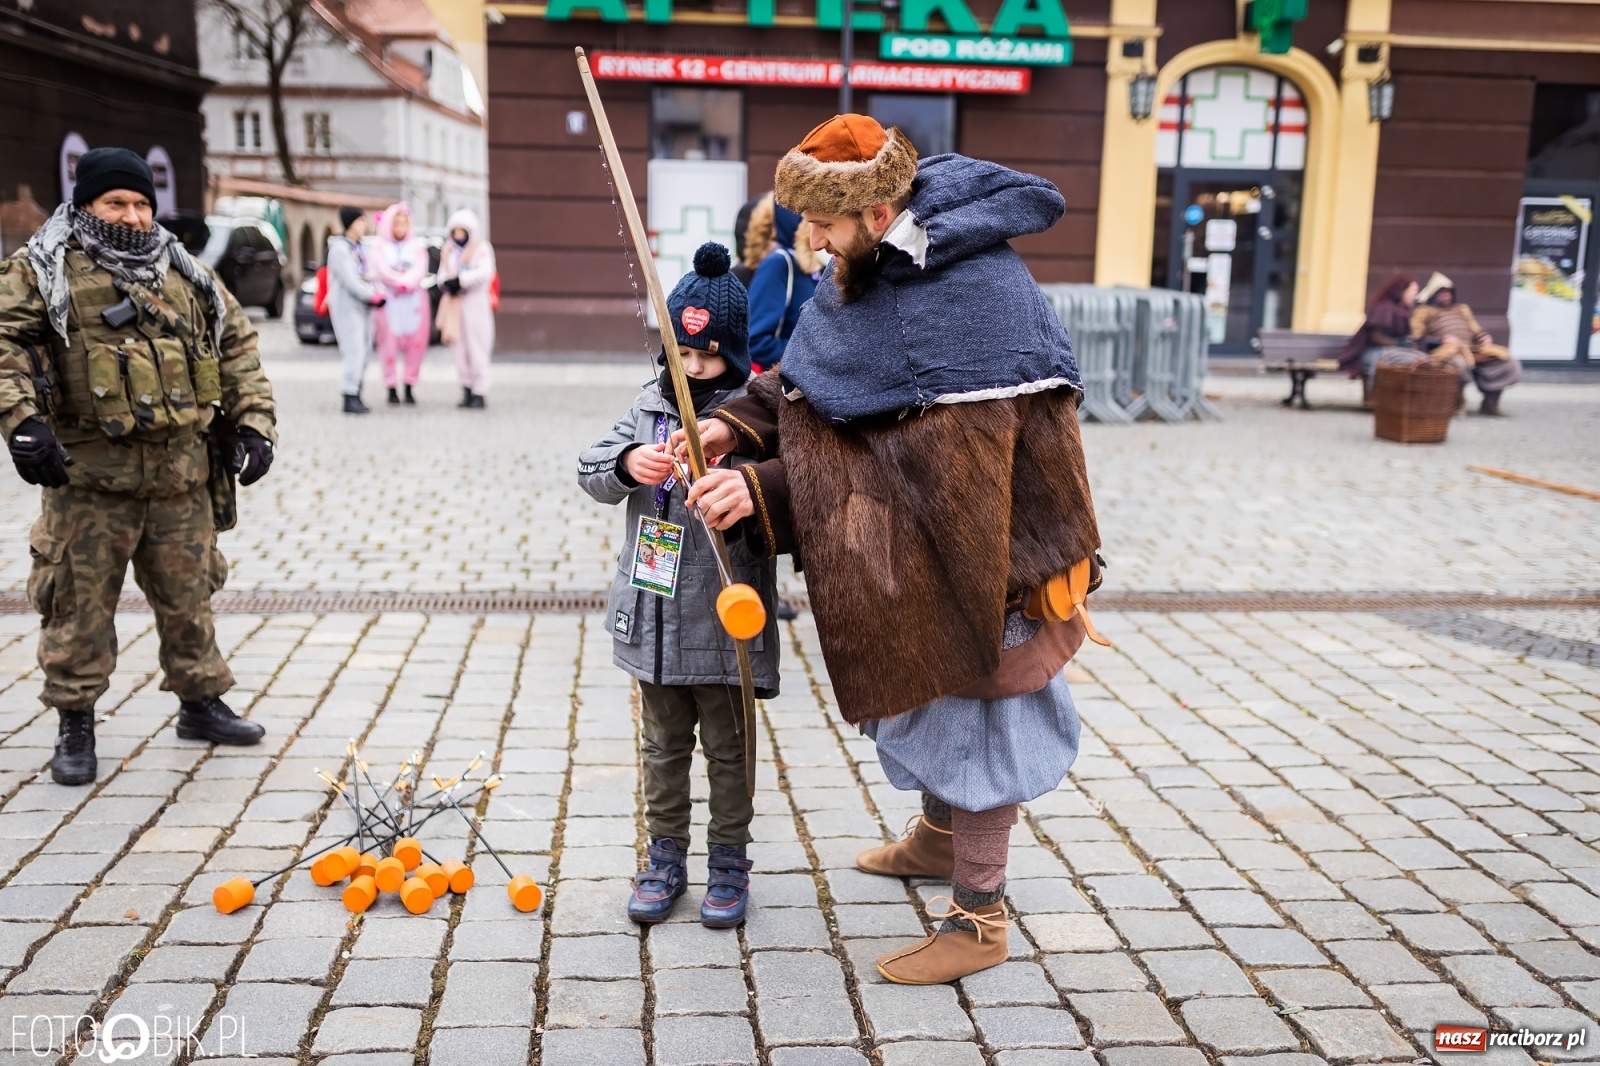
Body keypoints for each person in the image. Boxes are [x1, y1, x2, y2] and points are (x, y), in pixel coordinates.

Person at [678, 116, 1103, 983]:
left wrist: (765, 492)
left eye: (825, 226)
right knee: (932, 688)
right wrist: (732, 424)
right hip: (924, 543)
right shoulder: (868, 265)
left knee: (981, 713)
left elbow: (926, 475)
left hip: (997, 552)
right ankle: (941, 839)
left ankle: (980, 916)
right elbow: (810, 383)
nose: (812, 242)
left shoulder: (973, 291)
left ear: (875, 209)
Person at [0, 147, 276, 785]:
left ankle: (201, 703)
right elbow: (5, 339)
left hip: (180, 475)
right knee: (76, 604)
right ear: (87, 205)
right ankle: (75, 721)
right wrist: (23, 422)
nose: (131, 216)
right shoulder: (43, 270)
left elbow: (235, 345)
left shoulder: (184, 273)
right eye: (115, 203)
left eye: (141, 204)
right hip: (90, 480)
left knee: (190, 597)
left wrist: (256, 423)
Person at [577, 242, 779, 929]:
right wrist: (633, 463)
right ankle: (665, 856)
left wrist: (739, 481)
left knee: (729, 750)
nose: (691, 369)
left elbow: (782, 492)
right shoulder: (647, 405)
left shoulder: (751, 416)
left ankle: (729, 861)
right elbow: (591, 468)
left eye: (706, 356)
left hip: (723, 624)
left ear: (733, 352)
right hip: (654, 617)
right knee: (662, 747)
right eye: (681, 355)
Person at [1410, 272, 1522, 415]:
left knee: (1506, 362)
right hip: (1447, 351)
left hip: (1471, 349)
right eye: (1442, 293)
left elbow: (1475, 329)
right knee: (1458, 365)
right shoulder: (1423, 311)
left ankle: (1490, 403)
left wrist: (1483, 336)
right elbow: (1417, 337)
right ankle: (1457, 402)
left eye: (1448, 293)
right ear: (1433, 294)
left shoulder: (1462, 309)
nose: (1446, 296)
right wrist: (1440, 340)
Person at [743, 192, 820, 372]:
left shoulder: (815, 265)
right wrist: (815, 355)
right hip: (782, 386)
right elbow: (756, 341)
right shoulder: (779, 263)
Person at [436, 209, 496, 410]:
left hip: (475, 303)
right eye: (456, 232)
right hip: (455, 304)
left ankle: (480, 390)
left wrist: (461, 280)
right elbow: (441, 275)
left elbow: (485, 272)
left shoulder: (481, 248)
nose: (459, 236)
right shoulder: (449, 250)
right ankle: (466, 388)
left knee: (477, 347)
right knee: (459, 349)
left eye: (463, 232)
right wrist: (447, 283)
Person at [327, 206, 385, 414]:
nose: (364, 225)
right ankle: (349, 394)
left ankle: (357, 391)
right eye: (360, 221)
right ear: (350, 223)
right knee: (354, 351)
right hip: (347, 307)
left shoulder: (359, 247)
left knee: (365, 349)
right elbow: (350, 280)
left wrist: (373, 288)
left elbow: (366, 272)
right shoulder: (340, 249)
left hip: (363, 307)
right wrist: (372, 295)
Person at [372, 202, 430, 405]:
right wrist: (397, 282)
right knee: (388, 344)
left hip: (413, 303)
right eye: (396, 223)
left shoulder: (417, 247)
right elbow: (381, 269)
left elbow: (420, 269)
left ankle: (409, 384)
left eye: (404, 224)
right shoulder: (380, 247)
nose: (400, 228)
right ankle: (390, 385)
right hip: (390, 303)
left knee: (415, 344)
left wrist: (408, 283)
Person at [1338, 274, 1418, 403]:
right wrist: (1397, 343)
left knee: (1420, 360)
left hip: (1389, 351)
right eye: (1412, 291)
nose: (1415, 295)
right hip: (1373, 352)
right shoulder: (1384, 308)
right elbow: (1376, 337)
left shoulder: (1402, 310)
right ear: (1401, 291)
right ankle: (1377, 398)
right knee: (1408, 360)